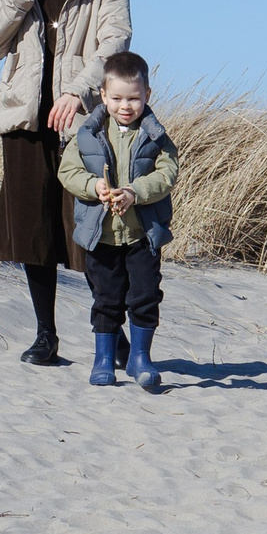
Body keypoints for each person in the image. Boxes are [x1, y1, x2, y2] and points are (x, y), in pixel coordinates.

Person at [0, 0, 132, 367]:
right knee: (34, 232)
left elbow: (114, 48)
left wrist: (77, 91)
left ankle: (112, 334)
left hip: (81, 126)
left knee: (90, 231)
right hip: (24, 121)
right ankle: (46, 337)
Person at [58, 52, 178, 390]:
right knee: (106, 300)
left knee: (145, 296)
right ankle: (103, 360)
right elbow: (67, 172)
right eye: (117, 98)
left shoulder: (156, 136)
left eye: (134, 99)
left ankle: (140, 358)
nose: (125, 106)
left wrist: (135, 192)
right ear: (103, 95)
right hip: (102, 236)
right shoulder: (87, 133)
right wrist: (93, 186)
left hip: (143, 234)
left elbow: (167, 174)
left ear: (147, 95)